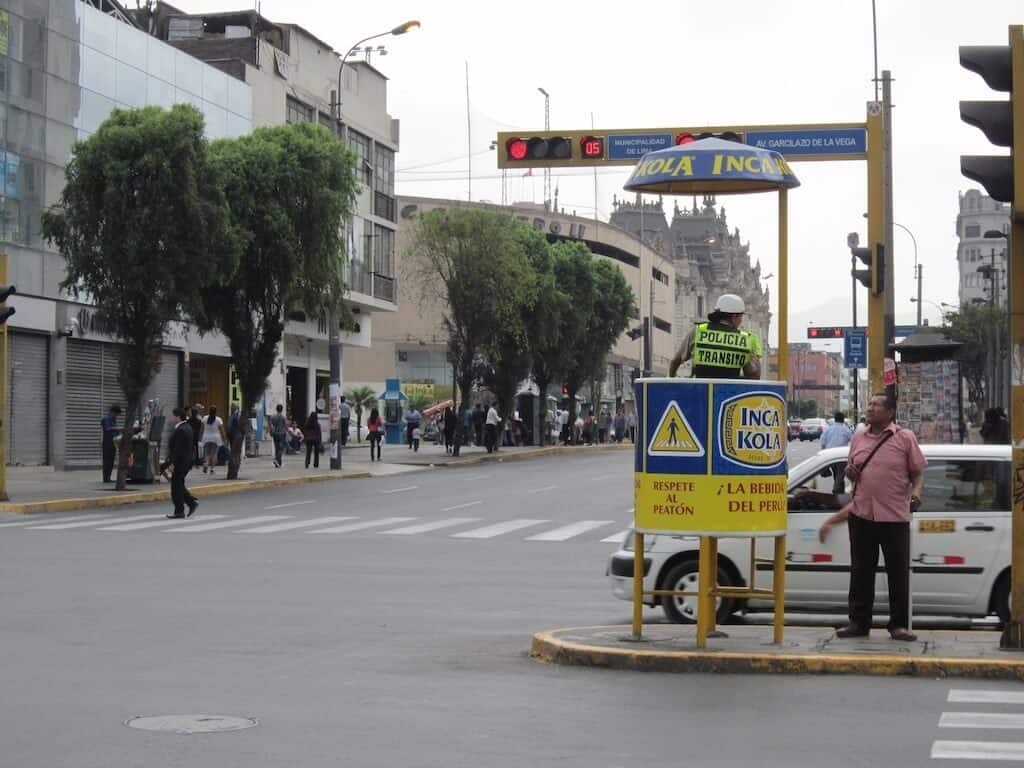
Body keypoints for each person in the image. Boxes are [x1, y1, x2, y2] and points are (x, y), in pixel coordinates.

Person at [836, 393, 926, 642]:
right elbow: (850, 470)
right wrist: (850, 472)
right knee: (861, 571)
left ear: (889, 412)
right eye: (870, 404)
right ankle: (858, 622)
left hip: (894, 516)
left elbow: (918, 473)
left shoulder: (904, 438)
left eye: (876, 405)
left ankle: (898, 625)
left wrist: (917, 491)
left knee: (897, 573)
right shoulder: (858, 437)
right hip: (862, 513)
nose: (870, 408)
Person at [668, 293, 762, 379]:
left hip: (700, 392)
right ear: (734, 317)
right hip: (729, 394)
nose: (741, 321)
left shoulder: (698, 331)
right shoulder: (746, 339)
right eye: (741, 317)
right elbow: (754, 376)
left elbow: (675, 362)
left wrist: (673, 379)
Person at [160, 407, 198, 519]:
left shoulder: (181, 430)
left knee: (176, 487)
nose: (172, 419)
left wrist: (172, 464)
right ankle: (191, 503)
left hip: (180, 462)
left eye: (173, 416)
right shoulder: (187, 427)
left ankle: (180, 511)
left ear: (178, 417)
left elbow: (178, 450)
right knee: (179, 485)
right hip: (185, 461)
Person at [819, 412, 853, 494]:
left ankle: (839, 492)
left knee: (837, 474)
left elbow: (823, 443)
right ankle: (837, 491)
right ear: (843, 419)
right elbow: (853, 441)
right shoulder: (846, 430)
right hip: (841, 456)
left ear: (835, 419)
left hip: (829, 457)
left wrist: (823, 455)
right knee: (840, 474)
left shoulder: (828, 429)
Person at [201, 405, 227, 476]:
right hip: (216, 439)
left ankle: (206, 463)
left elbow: (202, 429)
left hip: (206, 438)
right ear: (216, 412)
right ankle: (212, 469)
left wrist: (200, 438)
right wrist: (224, 439)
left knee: (206, 453)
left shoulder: (204, 418)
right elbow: (222, 431)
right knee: (214, 454)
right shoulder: (218, 419)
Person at [101, 404, 122, 483]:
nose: (116, 416)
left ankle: (108, 477)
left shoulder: (113, 420)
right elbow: (107, 428)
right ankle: (106, 478)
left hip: (113, 443)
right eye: (116, 414)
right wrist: (117, 428)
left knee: (111, 461)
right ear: (112, 412)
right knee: (107, 461)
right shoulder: (106, 419)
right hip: (107, 443)